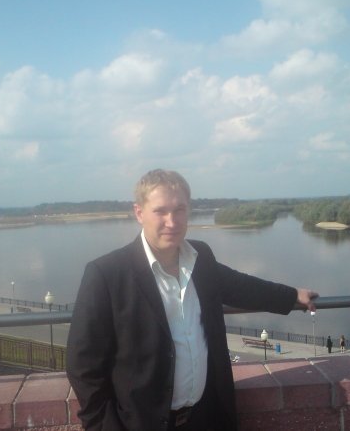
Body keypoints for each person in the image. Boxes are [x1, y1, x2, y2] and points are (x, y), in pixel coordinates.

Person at [66, 169, 319, 431]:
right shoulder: (106, 274)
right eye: (160, 211)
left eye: (179, 209)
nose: (172, 221)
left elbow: (240, 286)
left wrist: (292, 296)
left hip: (205, 418)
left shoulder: (201, 257)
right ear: (139, 213)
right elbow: (82, 366)